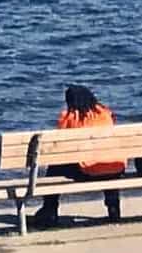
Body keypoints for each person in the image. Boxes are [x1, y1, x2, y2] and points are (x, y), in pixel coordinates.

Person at [35, 85, 132, 224]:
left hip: (87, 171)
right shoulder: (106, 113)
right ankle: (113, 208)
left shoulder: (69, 116)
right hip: (115, 168)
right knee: (107, 161)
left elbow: (61, 144)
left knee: (55, 167)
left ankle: (50, 210)